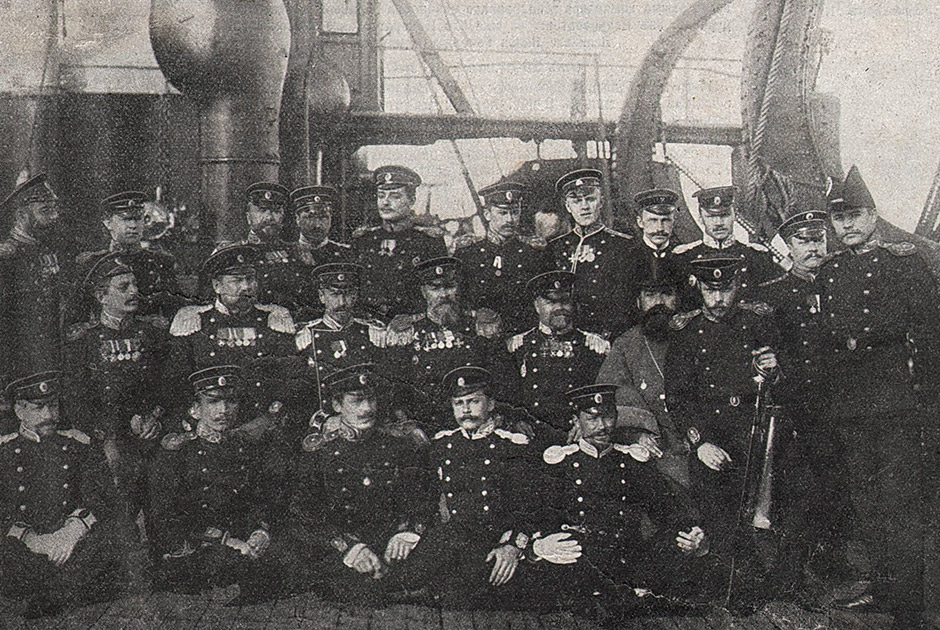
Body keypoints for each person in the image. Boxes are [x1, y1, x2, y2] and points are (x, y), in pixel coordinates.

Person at [814, 166, 940, 628]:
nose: (846, 225)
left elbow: (930, 338)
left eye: (854, 216)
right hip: (851, 407)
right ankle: (882, 591)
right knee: (865, 502)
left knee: (900, 503)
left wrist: (926, 403)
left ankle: (909, 606)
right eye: (838, 218)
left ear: (872, 215)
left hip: (897, 406)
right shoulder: (830, 272)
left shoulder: (905, 263)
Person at [527, 384, 710, 623]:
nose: (603, 426)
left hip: (627, 560)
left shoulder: (632, 462)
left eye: (608, 417)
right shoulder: (560, 463)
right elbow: (539, 516)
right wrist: (538, 546)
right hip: (580, 561)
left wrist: (692, 534)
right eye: (592, 419)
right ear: (576, 421)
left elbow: (668, 511)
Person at [664, 256, 781, 610]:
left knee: (752, 512)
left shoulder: (758, 321)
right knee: (714, 513)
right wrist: (699, 442)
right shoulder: (685, 330)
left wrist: (774, 371)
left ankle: (751, 588)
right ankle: (718, 589)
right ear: (698, 288)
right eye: (710, 290)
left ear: (737, 287)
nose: (718, 298)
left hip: (750, 430)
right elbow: (676, 396)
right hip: (709, 433)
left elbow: (779, 378)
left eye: (726, 289)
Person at [754, 210, 852, 598]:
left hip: (841, 405)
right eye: (803, 241)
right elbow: (762, 352)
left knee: (838, 486)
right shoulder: (772, 294)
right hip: (795, 409)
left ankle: (832, 560)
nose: (813, 248)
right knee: (798, 492)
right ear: (789, 247)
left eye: (818, 239)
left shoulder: (842, 284)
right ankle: (788, 573)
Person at [278, 364, 431, 605]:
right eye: (357, 401)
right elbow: (304, 513)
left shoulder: (400, 445)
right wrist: (352, 548)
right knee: (362, 590)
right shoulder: (320, 451)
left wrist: (407, 533)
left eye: (371, 399)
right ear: (337, 405)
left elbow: (420, 498)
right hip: (344, 548)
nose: (367, 409)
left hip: (391, 546)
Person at [395, 366, 540, 607]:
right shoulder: (443, 444)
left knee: (466, 593)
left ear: (490, 404)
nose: (466, 410)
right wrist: (412, 531)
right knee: (403, 577)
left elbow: (529, 507)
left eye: (474, 401)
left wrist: (513, 546)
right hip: (450, 539)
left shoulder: (513, 446)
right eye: (459, 403)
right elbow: (424, 496)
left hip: (491, 541)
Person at [0, 371, 129, 618]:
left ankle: (47, 593)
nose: (48, 415)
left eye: (53, 406)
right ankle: (63, 589)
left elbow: (100, 498)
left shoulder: (78, 444)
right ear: (19, 410)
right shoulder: (5, 450)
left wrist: (70, 532)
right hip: (26, 541)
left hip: (71, 540)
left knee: (112, 539)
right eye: (38, 408)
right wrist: (31, 538)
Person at [148, 366, 281, 601]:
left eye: (231, 402)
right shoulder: (177, 453)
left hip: (240, 542)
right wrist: (226, 540)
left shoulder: (245, 446)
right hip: (196, 545)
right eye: (213, 402)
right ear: (195, 409)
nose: (223, 410)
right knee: (226, 563)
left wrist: (260, 532)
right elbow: (166, 518)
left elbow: (259, 498)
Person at [64, 253, 171, 519]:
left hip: (151, 433)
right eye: (124, 287)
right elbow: (76, 399)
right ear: (102, 297)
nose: (134, 292)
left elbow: (168, 385)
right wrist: (108, 434)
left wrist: (155, 417)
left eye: (135, 285)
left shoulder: (154, 334)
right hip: (105, 438)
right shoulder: (83, 341)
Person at [168, 244, 297, 427]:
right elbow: (177, 380)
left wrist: (268, 418)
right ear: (217, 285)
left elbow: (288, 377)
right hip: (209, 420)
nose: (246, 287)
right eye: (237, 281)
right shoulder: (193, 320)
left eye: (250, 279)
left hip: (261, 422)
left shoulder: (274, 319)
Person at [384, 257, 512, 428]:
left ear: (459, 289)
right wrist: (408, 425)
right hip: (425, 426)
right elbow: (397, 388)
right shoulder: (407, 332)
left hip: (477, 424)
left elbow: (503, 381)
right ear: (423, 291)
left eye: (450, 286)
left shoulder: (481, 328)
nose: (443, 294)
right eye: (435, 288)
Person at [596, 256, 689, 486]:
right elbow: (611, 397)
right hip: (654, 450)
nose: (659, 303)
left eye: (667, 294)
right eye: (650, 295)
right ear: (638, 301)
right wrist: (636, 435)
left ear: (677, 299)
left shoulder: (695, 335)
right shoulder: (626, 344)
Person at [507, 270, 609, 432]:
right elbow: (510, 398)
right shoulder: (518, 346)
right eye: (551, 303)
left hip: (577, 433)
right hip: (532, 432)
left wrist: (585, 425)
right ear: (537, 306)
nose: (559, 308)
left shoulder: (594, 347)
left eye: (565, 302)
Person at [548, 169, 636, 337]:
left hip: (606, 335)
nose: (584, 207)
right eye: (576, 201)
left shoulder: (624, 245)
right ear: (567, 206)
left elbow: (626, 301)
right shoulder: (555, 247)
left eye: (590, 199)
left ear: (601, 202)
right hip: (565, 334)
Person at [351, 166, 447, 318]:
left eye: (395, 196)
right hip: (368, 323)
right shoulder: (363, 239)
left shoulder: (429, 241)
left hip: (411, 322)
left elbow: (439, 294)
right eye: (381, 196)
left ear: (412, 200)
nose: (385, 203)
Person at [455, 182, 549, 333]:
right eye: (503, 213)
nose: (510, 220)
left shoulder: (534, 252)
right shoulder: (468, 253)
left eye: (515, 212)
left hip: (524, 333)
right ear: (487, 214)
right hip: (481, 334)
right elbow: (458, 300)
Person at [295, 262, 387, 415]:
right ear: (321, 296)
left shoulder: (373, 333)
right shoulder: (305, 336)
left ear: (356, 295)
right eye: (334, 295)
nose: (342, 302)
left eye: (348, 294)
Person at [0, 173, 70, 373]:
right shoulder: (7, 258)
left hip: (50, 351)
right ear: (22, 216)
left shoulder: (49, 249)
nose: (54, 217)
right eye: (45, 210)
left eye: (54, 209)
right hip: (17, 357)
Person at [74, 191, 180, 323]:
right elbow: (77, 316)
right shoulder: (92, 264)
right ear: (108, 223)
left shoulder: (161, 262)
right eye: (126, 219)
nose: (133, 226)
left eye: (138, 219)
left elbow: (173, 312)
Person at [673, 186, 781, 301]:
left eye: (724, 215)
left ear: (734, 216)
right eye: (711, 216)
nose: (718, 223)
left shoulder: (757, 256)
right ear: (700, 218)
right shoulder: (684, 257)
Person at [244, 182, 304, 310]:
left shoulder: (296, 251)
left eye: (276, 211)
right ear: (248, 217)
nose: (269, 217)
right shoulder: (233, 252)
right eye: (262, 210)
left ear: (282, 217)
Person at [628, 188, 683, 267]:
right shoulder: (627, 256)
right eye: (653, 221)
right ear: (640, 222)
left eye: (666, 220)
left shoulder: (684, 256)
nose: (660, 228)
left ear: (673, 222)